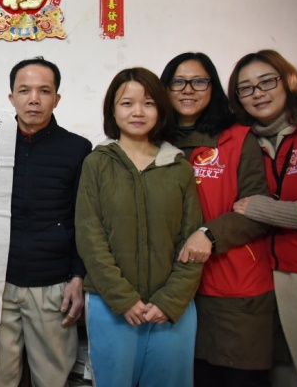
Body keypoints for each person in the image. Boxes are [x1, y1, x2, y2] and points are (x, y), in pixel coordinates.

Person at [75, 67, 203, 387]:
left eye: (148, 103)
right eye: (127, 103)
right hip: (111, 304)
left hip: (172, 307)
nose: (138, 112)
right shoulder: (97, 163)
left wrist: (170, 300)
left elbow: (191, 239)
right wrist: (123, 299)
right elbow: (90, 236)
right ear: (112, 110)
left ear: (160, 109)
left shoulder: (179, 167)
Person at [160, 52, 273, 387]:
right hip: (173, 288)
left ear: (213, 87)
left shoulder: (238, 138)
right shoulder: (153, 141)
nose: (188, 89)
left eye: (199, 81)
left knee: (238, 377)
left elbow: (259, 211)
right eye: (178, 82)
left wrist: (209, 233)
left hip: (233, 285)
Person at [0, 57, 92, 387]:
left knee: (52, 380)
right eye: (24, 90)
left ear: (57, 98)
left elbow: (83, 220)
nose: (33, 99)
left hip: (53, 287)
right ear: (12, 98)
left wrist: (78, 276)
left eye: (44, 91)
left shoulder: (77, 149)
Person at [228, 50, 297, 386]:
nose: (257, 93)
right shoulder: (245, 142)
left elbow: (252, 206)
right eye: (246, 88)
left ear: (287, 81)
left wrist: (264, 210)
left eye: (266, 82)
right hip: (265, 279)